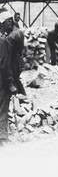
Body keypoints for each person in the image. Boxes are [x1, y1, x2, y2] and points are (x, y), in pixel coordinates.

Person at [0, 8, 17, 147]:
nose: (11, 23)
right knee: (2, 107)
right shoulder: (3, 41)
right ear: (2, 23)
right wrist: (10, 83)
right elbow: (5, 65)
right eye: (8, 21)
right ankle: (2, 138)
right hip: (1, 80)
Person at [8, 15, 27, 95]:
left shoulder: (11, 36)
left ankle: (22, 97)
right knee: (17, 79)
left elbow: (9, 52)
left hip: (14, 61)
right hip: (19, 59)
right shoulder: (19, 32)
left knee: (14, 80)